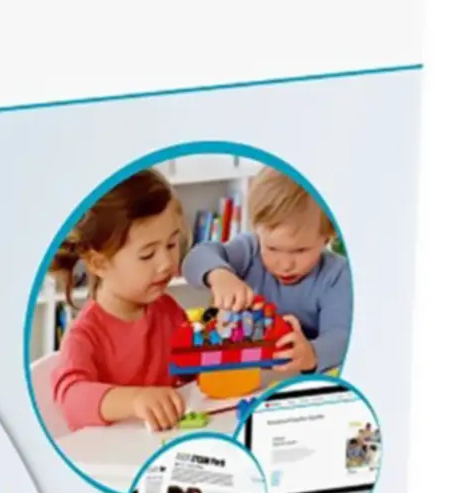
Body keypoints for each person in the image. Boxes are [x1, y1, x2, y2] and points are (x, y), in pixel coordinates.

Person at [50, 168, 189, 431]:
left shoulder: (169, 311)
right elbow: (71, 397)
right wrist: (135, 401)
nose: (166, 263)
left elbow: (195, 371)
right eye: (147, 255)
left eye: (171, 245)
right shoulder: (85, 335)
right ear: (99, 263)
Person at [183, 167, 352, 376]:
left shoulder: (337, 274)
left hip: (296, 378)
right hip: (242, 374)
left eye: (300, 250)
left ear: (327, 237)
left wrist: (313, 353)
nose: (285, 264)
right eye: (272, 248)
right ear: (258, 231)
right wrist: (219, 274)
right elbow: (195, 257)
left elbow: (341, 335)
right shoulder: (249, 249)